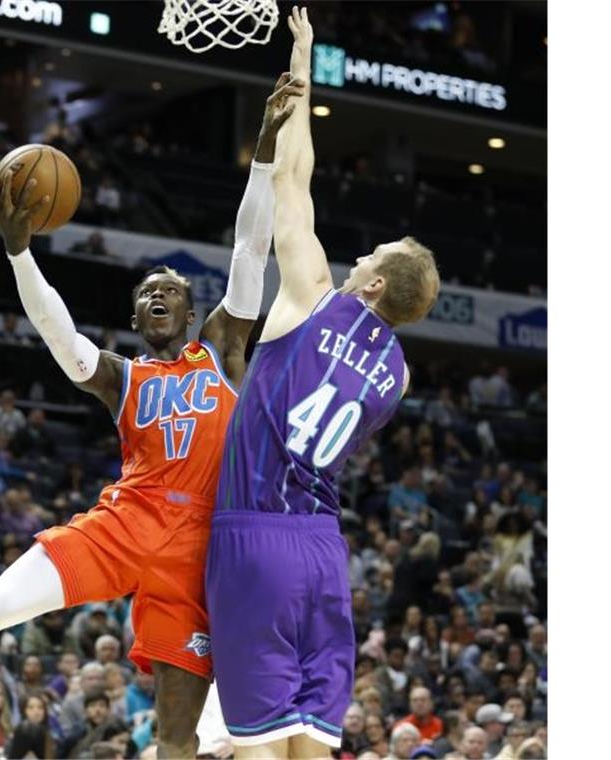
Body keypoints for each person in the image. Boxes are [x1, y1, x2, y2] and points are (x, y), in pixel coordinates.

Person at [0, 72, 305, 760]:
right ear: (137, 318)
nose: (158, 296)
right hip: (125, 524)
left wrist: (264, 149)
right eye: (147, 294)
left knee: (176, 738)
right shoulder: (122, 378)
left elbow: (252, 249)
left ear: (193, 313)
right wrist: (19, 252)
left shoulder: (221, 351)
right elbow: (59, 333)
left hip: (202, 549)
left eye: (171, 291)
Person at [204, 9, 441, 758]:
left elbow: (293, 184)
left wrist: (301, 64)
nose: (361, 254)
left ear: (372, 286)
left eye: (372, 254)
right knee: (309, 740)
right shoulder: (398, 373)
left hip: (258, 536)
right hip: (323, 553)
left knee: (256, 745)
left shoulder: (314, 298)